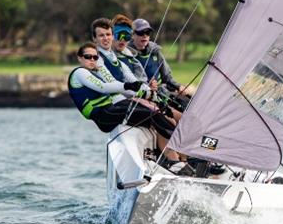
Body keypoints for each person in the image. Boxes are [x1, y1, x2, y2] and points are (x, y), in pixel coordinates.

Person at [68, 42, 190, 173]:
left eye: (95, 57)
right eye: (88, 57)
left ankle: (180, 157)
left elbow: (115, 85)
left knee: (157, 111)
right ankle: (174, 158)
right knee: (154, 115)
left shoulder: (96, 72)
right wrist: (128, 86)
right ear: (80, 58)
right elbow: (103, 88)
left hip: (113, 108)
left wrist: (145, 93)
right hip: (104, 115)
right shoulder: (80, 72)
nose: (92, 60)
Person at [129, 18, 191, 111]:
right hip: (145, 97)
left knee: (189, 103)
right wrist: (147, 87)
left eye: (148, 33)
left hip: (163, 91)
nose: (145, 36)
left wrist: (178, 86)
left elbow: (167, 77)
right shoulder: (127, 54)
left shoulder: (155, 51)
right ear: (133, 35)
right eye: (141, 33)